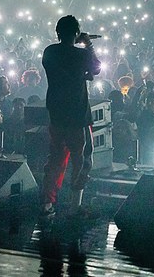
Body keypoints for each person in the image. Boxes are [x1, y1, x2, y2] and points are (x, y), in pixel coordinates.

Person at [39, 15, 101, 217]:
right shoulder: (81, 54)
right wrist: (88, 44)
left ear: (57, 33)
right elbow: (97, 68)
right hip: (78, 116)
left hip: (56, 115)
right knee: (82, 161)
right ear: (76, 33)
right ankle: (75, 206)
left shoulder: (49, 52)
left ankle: (47, 204)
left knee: (56, 159)